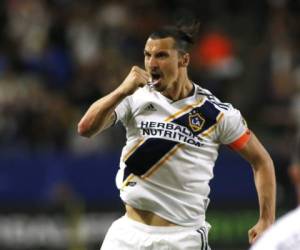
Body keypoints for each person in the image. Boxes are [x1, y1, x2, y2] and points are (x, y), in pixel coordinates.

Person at [78, 21, 276, 249]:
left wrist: (266, 219)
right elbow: (85, 129)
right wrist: (122, 90)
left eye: (161, 55)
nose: (152, 63)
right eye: (147, 55)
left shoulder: (216, 114)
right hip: (126, 234)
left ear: (184, 60)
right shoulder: (135, 97)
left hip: (181, 238)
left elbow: (262, 161)